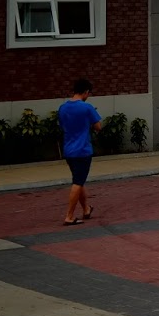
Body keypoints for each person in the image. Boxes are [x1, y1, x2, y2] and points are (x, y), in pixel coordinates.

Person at [59, 77, 103, 226]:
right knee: (78, 182)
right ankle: (69, 216)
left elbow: (62, 125)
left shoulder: (63, 108)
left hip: (68, 149)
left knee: (79, 180)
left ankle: (86, 209)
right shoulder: (87, 108)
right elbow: (98, 127)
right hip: (82, 150)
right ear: (85, 92)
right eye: (88, 93)